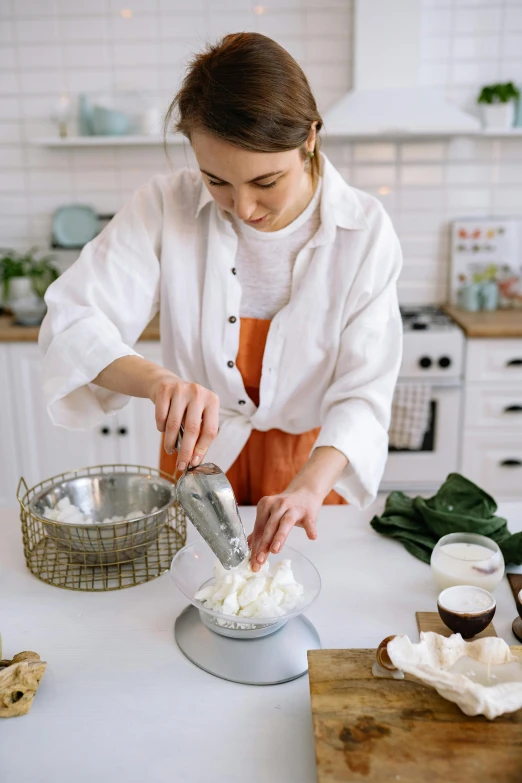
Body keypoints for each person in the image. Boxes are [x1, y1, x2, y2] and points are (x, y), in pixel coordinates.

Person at [39, 32, 403, 573]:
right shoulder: (165, 205)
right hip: (198, 466)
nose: (244, 208)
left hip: (310, 467)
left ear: (309, 137)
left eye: (266, 181)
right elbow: (72, 321)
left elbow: (363, 395)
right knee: (184, 605)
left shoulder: (365, 231)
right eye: (218, 181)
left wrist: (306, 489)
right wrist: (158, 382)